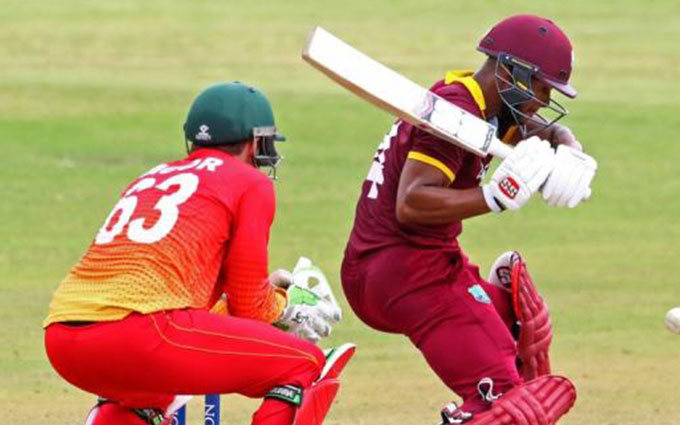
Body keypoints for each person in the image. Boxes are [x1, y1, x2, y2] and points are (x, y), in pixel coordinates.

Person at [43, 81, 354, 425]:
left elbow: (192, 299)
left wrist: (271, 292)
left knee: (150, 392)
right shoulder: (251, 183)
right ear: (257, 144)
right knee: (305, 365)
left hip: (63, 339)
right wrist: (289, 307)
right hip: (140, 334)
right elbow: (250, 305)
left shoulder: (151, 177)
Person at [340, 14, 597, 425]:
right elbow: (411, 202)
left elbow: (533, 129)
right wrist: (494, 196)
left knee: (519, 327)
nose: (545, 100)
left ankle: (498, 301)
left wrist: (566, 144)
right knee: (506, 404)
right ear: (513, 73)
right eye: (543, 87)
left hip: (405, 265)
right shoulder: (455, 112)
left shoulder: (485, 107)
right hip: (405, 270)